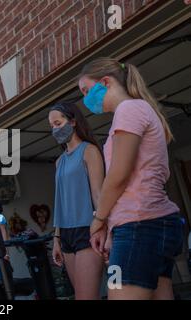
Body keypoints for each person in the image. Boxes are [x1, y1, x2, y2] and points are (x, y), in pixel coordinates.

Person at [79, 57, 184, 300]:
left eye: (86, 91)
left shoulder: (128, 110)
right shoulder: (138, 109)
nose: (86, 100)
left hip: (139, 226)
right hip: (150, 224)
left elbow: (118, 175)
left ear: (105, 82)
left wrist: (99, 219)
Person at [49, 101, 105, 300]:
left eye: (58, 123)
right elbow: (60, 203)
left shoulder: (89, 151)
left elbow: (98, 195)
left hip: (87, 229)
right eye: (52, 126)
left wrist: (105, 229)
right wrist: (56, 239)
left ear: (72, 122)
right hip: (65, 234)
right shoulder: (59, 161)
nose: (55, 129)